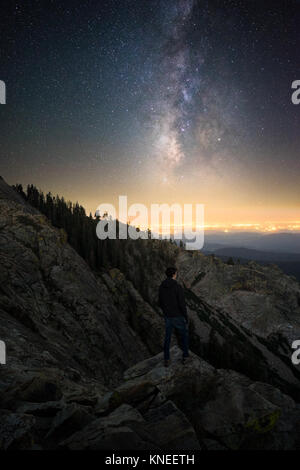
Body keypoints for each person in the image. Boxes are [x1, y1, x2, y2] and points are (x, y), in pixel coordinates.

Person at [159, 267, 189, 367]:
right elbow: (182, 304)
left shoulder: (162, 286)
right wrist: (185, 316)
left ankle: (166, 359)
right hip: (177, 316)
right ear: (174, 274)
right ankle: (185, 356)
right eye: (176, 273)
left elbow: (160, 302)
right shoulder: (177, 287)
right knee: (184, 336)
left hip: (167, 316)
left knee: (167, 337)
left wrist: (165, 311)